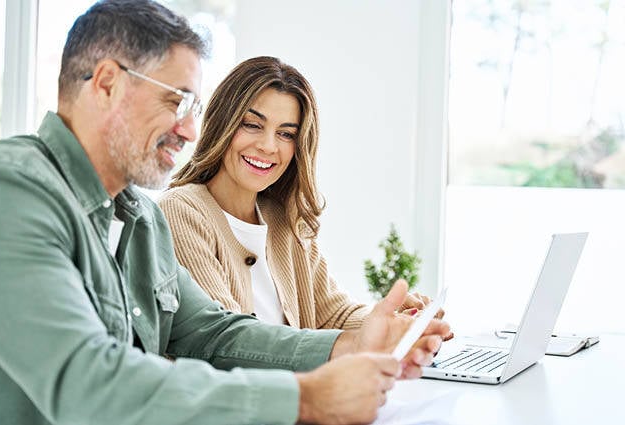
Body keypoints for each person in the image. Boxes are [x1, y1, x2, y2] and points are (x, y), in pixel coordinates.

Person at [0, 1, 451, 425]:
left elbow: (214, 334)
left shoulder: (140, 220)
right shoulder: (8, 191)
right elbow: (86, 381)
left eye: (195, 107)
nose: (190, 130)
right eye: (177, 101)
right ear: (107, 83)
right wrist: (303, 398)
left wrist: (354, 343)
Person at [159, 56, 445, 330]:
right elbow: (227, 339)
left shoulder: (284, 219)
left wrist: (393, 321)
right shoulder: (181, 212)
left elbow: (335, 315)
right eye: (253, 125)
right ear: (223, 123)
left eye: (286, 134)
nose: (269, 146)